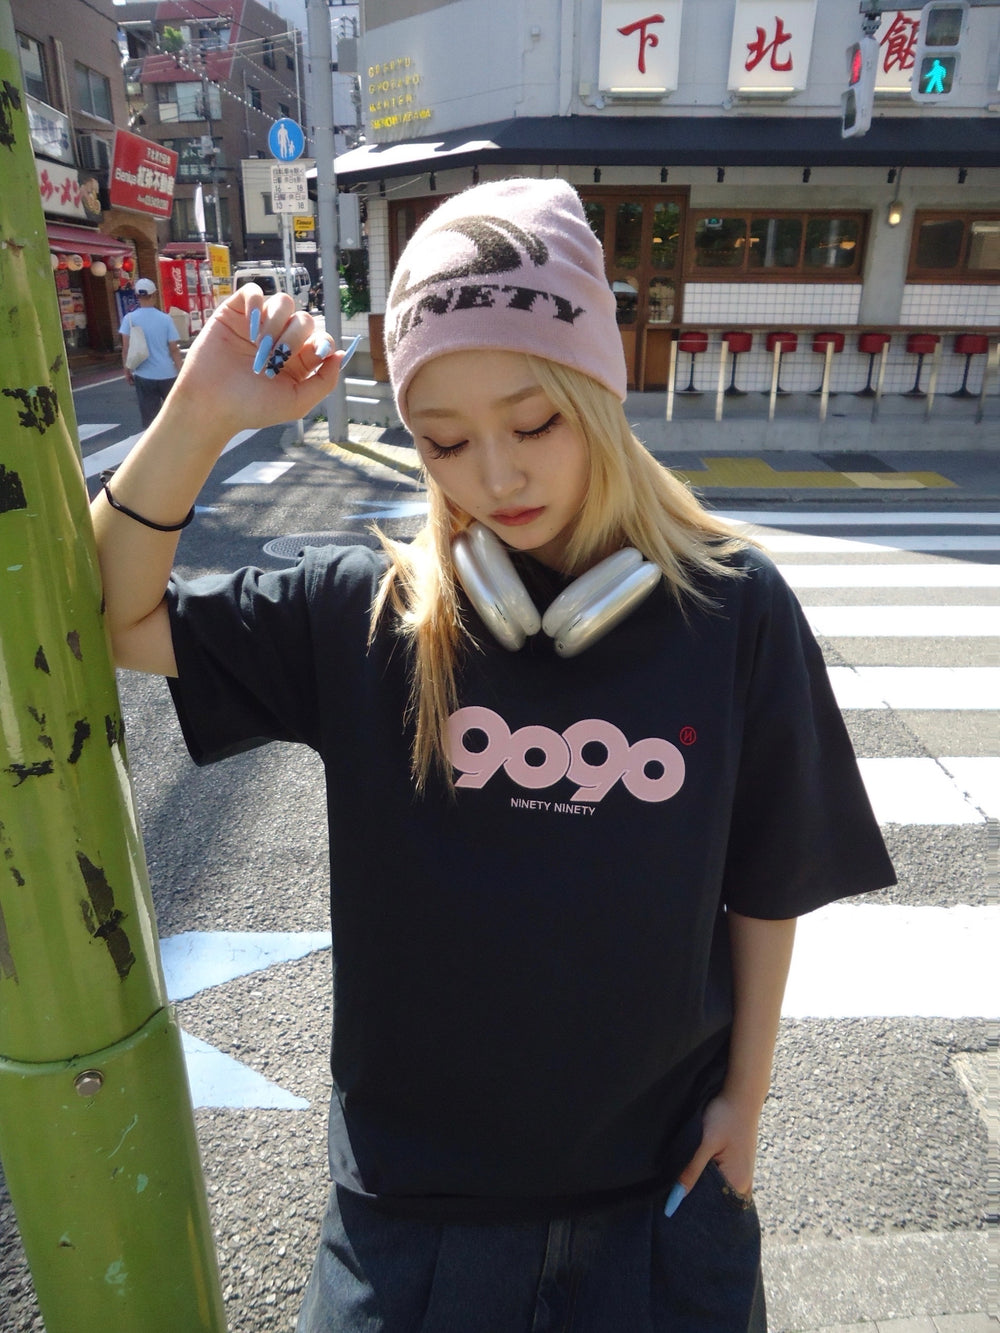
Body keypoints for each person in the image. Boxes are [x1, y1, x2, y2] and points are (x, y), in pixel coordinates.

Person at [91, 177, 895, 1332]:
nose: (496, 476)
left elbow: (766, 884)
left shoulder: (732, 609)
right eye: (445, 441)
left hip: (659, 1196)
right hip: (410, 1216)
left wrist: (745, 1103)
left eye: (533, 423)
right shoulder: (369, 613)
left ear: (598, 392)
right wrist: (204, 410)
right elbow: (112, 618)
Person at [119, 277, 184, 430]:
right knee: (175, 414)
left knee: (150, 419)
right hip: (168, 373)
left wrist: (127, 370)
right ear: (154, 294)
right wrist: (181, 370)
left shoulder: (129, 319)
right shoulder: (165, 319)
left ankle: (155, 443)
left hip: (144, 375)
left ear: (137, 296)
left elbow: (126, 348)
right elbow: (174, 349)